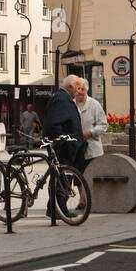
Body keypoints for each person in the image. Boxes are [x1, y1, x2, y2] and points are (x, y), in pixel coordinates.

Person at [42, 76, 87, 218]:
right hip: (62, 148)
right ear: (70, 87)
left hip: (67, 147)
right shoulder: (61, 100)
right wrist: (64, 140)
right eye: (77, 88)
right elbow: (53, 124)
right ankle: (58, 210)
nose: (79, 91)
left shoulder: (64, 99)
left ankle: (55, 208)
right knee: (62, 178)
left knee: (64, 178)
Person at [72, 76, 108, 176]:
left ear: (86, 90)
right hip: (76, 149)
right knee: (78, 179)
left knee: (92, 179)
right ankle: (81, 192)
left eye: (82, 89)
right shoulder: (71, 105)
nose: (79, 92)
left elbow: (103, 125)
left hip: (92, 150)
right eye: (77, 89)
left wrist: (90, 132)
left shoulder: (94, 105)